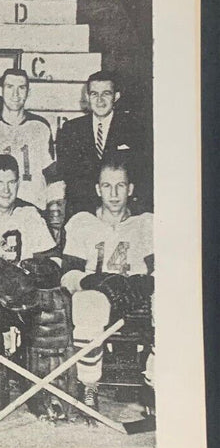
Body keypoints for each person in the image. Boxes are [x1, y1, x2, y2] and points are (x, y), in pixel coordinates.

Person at [0, 154, 74, 422]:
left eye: (12, 182)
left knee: (53, 307)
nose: (6, 190)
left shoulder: (30, 213)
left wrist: (36, 273)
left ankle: (48, 392)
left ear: (19, 183)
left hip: (25, 297)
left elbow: (53, 260)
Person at [61, 160, 153, 412]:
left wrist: (141, 284)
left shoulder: (145, 224)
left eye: (120, 186)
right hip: (97, 295)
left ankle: (154, 381)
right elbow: (67, 273)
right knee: (87, 301)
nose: (113, 194)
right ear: (97, 189)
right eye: (107, 186)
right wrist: (96, 282)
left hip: (137, 296)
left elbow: (163, 269)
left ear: (130, 189)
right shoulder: (83, 222)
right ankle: (89, 385)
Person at [0, 68, 64, 239]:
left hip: (33, 208)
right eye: (9, 87)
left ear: (28, 92)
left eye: (21, 88)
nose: (15, 94)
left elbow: (52, 173)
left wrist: (55, 204)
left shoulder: (40, 126)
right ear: (0, 91)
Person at [55, 70, 152, 217]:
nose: (100, 100)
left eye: (106, 93)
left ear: (116, 96)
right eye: (94, 94)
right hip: (84, 213)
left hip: (124, 213)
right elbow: (69, 176)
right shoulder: (71, 129)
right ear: (87, 97)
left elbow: (142, 174)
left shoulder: (135, 128)